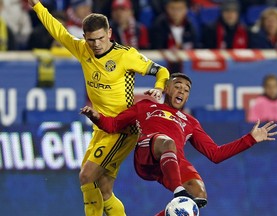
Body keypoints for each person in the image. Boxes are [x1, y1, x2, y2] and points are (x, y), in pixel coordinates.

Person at [27, 0, 170, 215]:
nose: (96, 44)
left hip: (122, 127)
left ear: (110, 33)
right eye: (91, 40)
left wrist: (159, 88)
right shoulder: (83, 49)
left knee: (87, 176)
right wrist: (37, 5)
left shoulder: (125, 55)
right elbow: (59, 31)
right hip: (101, 127)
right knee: (103, 189)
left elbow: (162, 71)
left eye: (101, 38)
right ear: (85, 38)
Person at [80, 73, 277, 216]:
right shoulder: (146, 106)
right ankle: (178, 192)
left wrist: (250, 139)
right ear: (166, 88)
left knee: (198, 195)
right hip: (148, 155)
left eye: (186, 90)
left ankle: (174, 205)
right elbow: (113, 124)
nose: (181, 91)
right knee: (167, 143)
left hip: (170, 162)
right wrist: (96, 117)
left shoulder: (190, 122)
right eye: (177, 86)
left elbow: (215, 154)